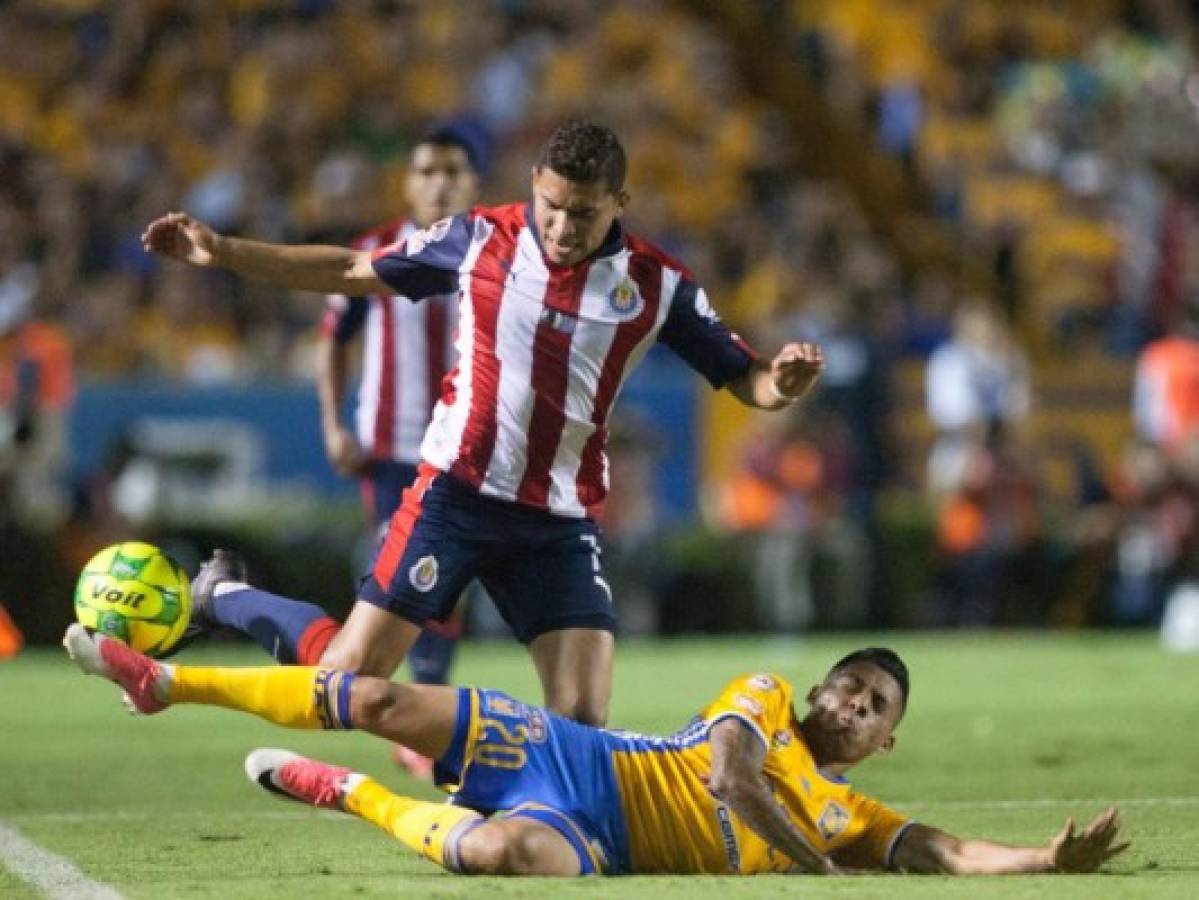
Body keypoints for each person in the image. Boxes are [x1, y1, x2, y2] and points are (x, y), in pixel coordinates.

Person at [142, 120, 826, 727]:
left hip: (555, 520)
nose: (561, 228)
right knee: (346, 685)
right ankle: (225, 595)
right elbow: (353, 268)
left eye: (582, 214)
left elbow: (747, 380)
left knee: (582, 719)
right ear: (534, 185)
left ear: (620, 204)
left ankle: (495, 798)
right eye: (551, 207)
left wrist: (782, 383)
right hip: (455, 497)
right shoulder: (479, 239)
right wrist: (224, 252)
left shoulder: (657, 286)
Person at [64, 624, 1129, 878]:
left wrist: (1044, 860)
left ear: (886, 739)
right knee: (384, 694)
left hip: (597, 839)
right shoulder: (758, 699)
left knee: (503, 860)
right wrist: (812, 872)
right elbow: (725, 778)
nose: (850, 705)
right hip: (583, 758)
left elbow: (939, 853)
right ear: (815, 690)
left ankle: (343, 795)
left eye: (872, 705)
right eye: (846, 686)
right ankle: (171, 679)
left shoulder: (854, 819)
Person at [317, 126, 481, 775]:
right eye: (427, 171)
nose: (439, 183)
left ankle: (422, 718)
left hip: (469, 448)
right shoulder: (373, 251)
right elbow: (332, 339)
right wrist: (333, 425)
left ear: (471, 182)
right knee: (412, 576)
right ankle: (416, 723)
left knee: (452, 583)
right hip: (392, 447)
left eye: (452, 171)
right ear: (408, 182)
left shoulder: (496, 253)